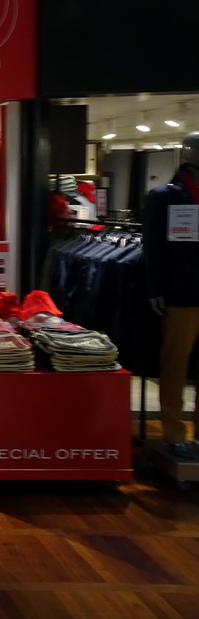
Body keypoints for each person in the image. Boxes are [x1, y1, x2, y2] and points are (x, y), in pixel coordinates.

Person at [143, 132, 199, 460]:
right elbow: (153, 248)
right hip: (181, 290)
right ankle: (173, 429)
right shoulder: (164, 196)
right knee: (176, 363)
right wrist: (155, 288)